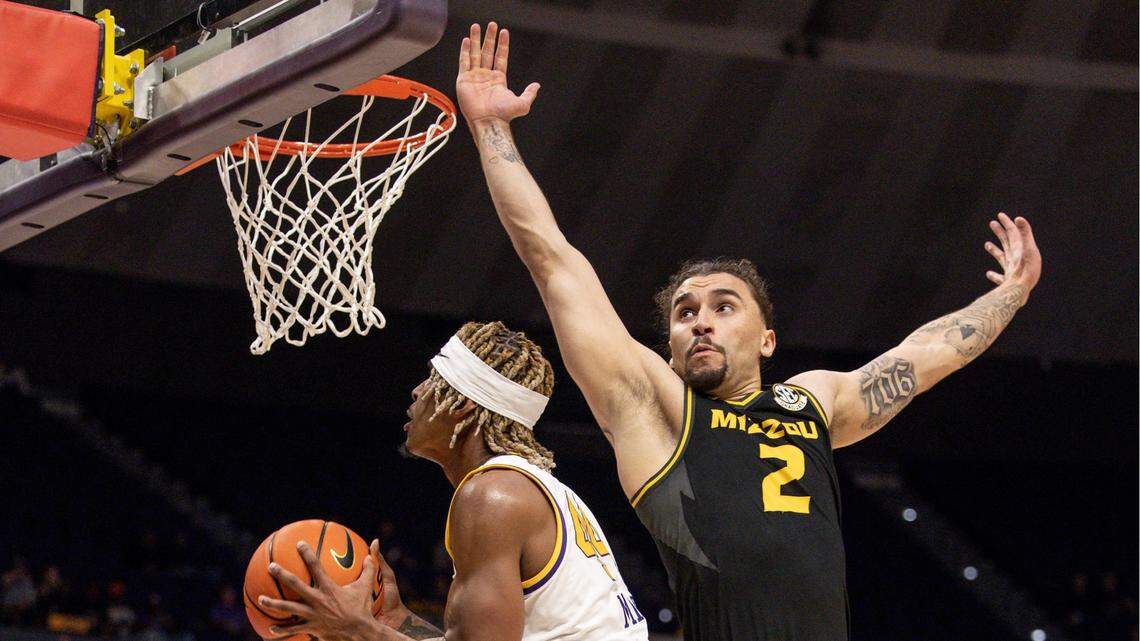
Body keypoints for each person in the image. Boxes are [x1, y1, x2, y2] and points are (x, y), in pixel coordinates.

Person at [452, 22, 1043, 640]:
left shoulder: (812, 401)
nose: (700, 320)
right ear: (671, 348)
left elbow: (923, 356)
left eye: (724, 306)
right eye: (684, 313)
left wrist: (1010, 295)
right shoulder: (656, 410)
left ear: (768, 340)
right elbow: (553, 260)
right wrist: (492, 130)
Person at [258, 321, 649, 641]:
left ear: (462, 404)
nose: (416, 391)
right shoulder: (535, 489)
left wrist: (357, 631)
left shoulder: (491, 496)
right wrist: (395, 621)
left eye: (432, 380)